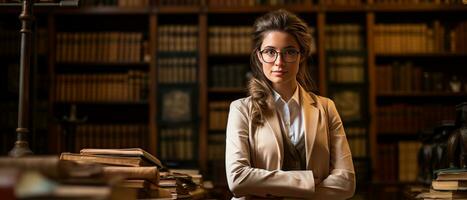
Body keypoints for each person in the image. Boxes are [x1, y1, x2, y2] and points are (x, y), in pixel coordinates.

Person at [225, 9, 355, 199]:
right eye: (270, 52)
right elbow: (237, 179)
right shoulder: (241, 109)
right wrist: (307, 182)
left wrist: (268, 188)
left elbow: (346, 183)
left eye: (289, 52)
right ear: (259, 56)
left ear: (301, 55)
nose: (279, 62)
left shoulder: (326, 108)